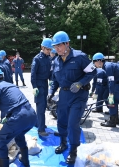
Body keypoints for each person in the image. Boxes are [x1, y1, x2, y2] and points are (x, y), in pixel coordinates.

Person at [48, 31, 96, 164]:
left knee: (72, 123)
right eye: (55, 46)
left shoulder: (80, 57)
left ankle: (73, 150)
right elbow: (54, 80)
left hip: (78, 95)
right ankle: (63, 143)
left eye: (59, 45)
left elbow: (93, 72)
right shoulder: (56, 61)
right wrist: (50, 93)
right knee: (61, 121)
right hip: (63, 95)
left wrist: (81, 83)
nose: (57, 48)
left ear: (67, 44)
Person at [92, 52, 119, 127]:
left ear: (99, 61)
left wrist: (111, 94)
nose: (94, 64)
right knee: (113, 100)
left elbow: (111, 82)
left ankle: (112, 121)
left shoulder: (108, 67)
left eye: (94, 62)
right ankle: (115, 119)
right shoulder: (107, 66)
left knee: (112, 101)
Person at [31, 38, 52, 137]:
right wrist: (34, 86)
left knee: (43, 107)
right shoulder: (37, 58)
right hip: (39, 86)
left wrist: (51, 80)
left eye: (50, 49)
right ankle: (41, 129)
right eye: (47, 49)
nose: (49, 51)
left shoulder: (48, 58)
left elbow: (50, 71)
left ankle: (39, 123)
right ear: (42, 47)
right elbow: (33, 74)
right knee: (41, 107)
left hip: (45, 84)